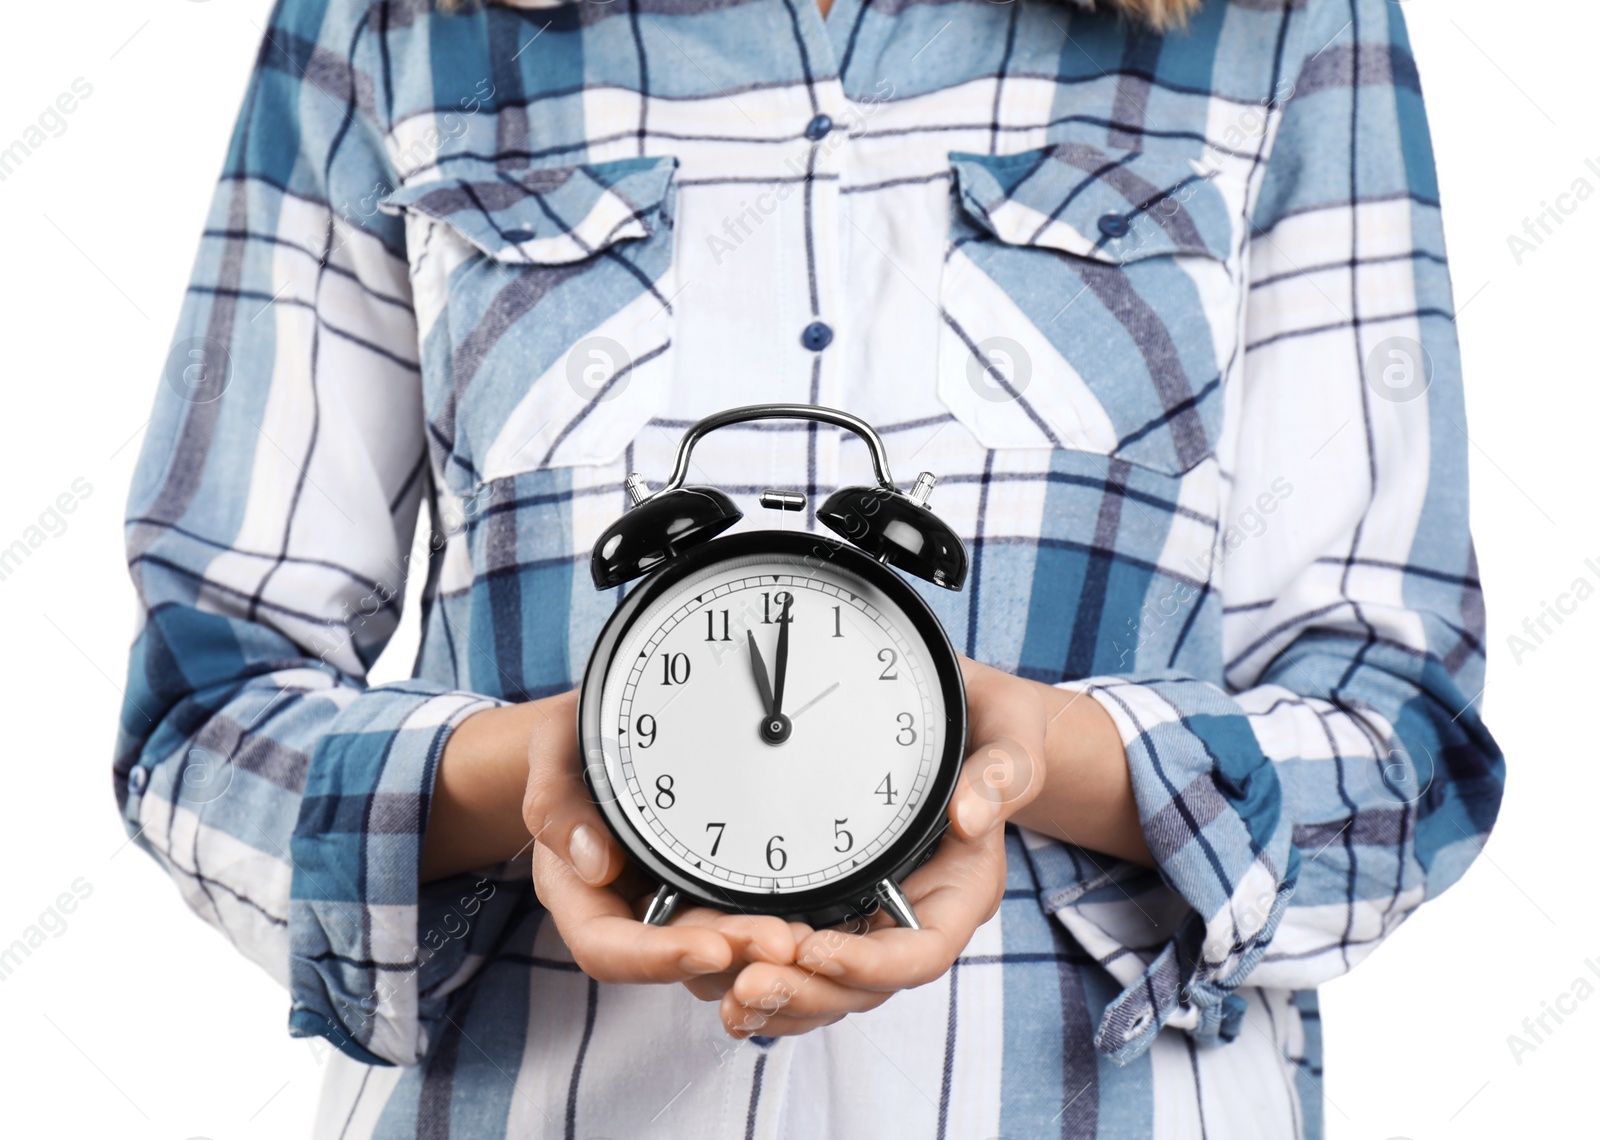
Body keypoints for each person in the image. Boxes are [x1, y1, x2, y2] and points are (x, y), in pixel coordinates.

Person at [115, 0, 1504, 1134]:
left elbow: (1406, 743)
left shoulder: (1285, 30)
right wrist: (523, 777)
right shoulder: (392, 28)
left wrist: (1042, 757)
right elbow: (203, 703)